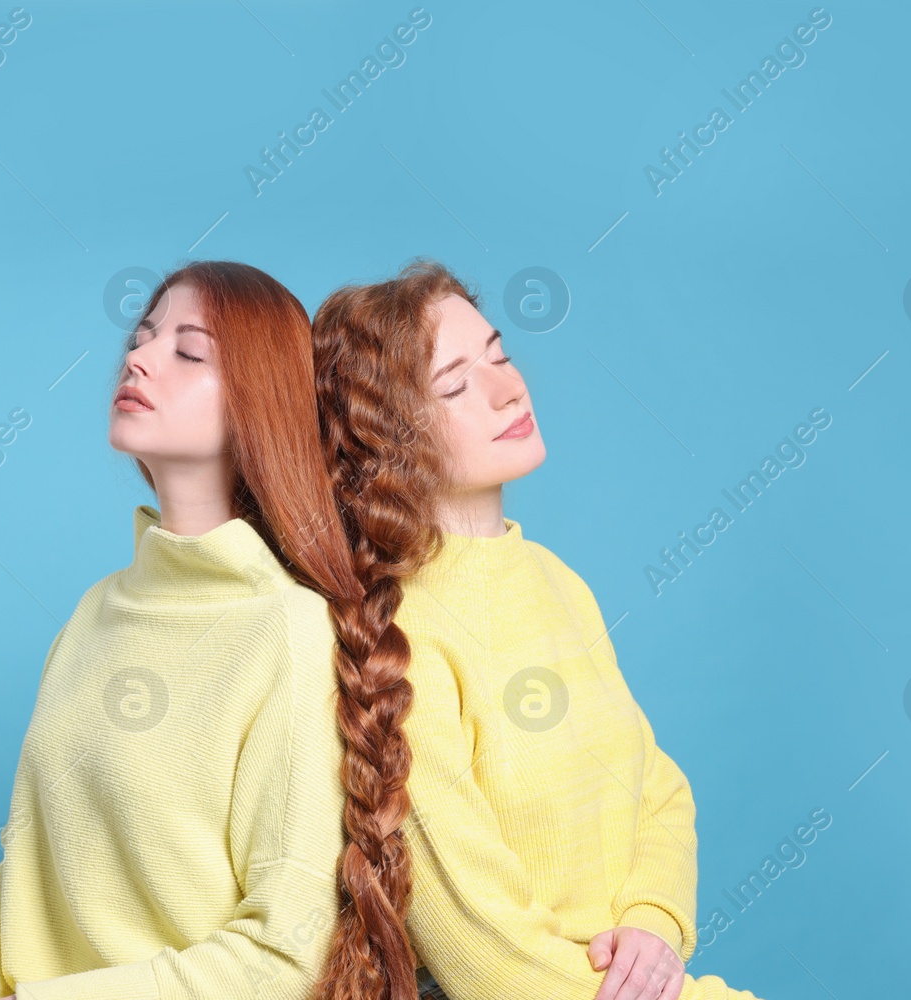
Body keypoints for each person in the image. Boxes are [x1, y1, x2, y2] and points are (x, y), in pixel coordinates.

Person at [0, 261, 419, 1000]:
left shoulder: (285, 633)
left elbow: (283, 954)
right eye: (142, 337)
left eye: (189, 351)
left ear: (260, 402)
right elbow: (22, 883)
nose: (139, 358)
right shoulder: (94, 614)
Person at [309, 259, 765, 1000]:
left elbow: (655, 785)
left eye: (501, 356)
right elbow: (482, 948)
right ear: (386, 435)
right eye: (455, 384)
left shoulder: (557, 580)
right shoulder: (395, 632)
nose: (509, 389)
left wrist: (653, 923)